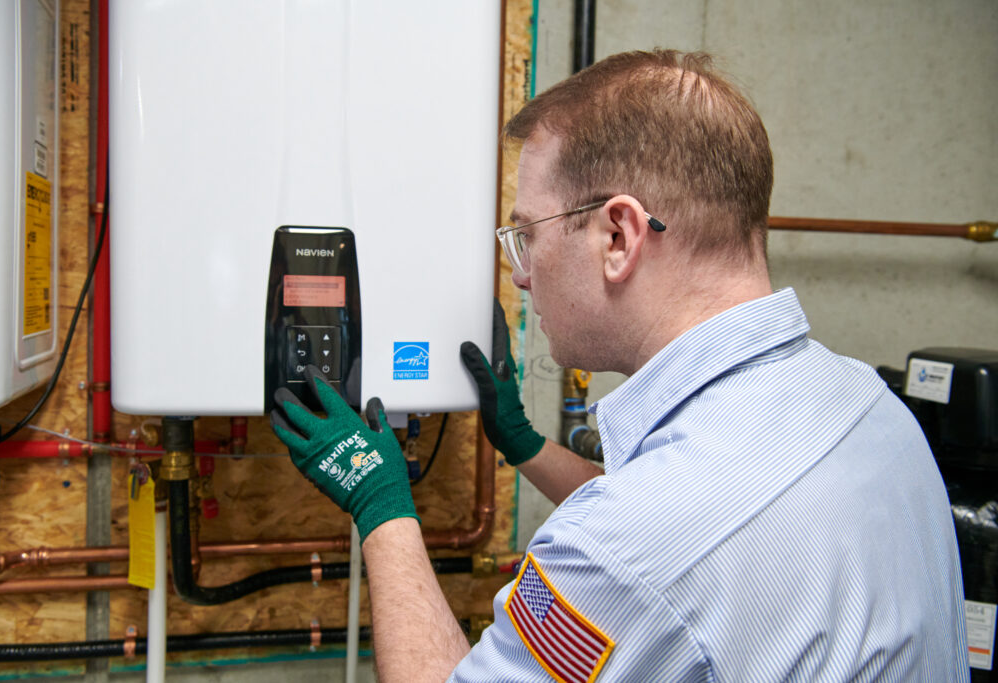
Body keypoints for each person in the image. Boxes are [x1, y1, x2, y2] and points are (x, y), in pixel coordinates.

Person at [271, 49, 969, 682]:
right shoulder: (867, 404)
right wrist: (525, 446)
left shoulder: (630, 548)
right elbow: (695, 523)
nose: (518, 275)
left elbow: (654, 545)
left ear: (617, 235)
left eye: (526, 235)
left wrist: (382, 505)